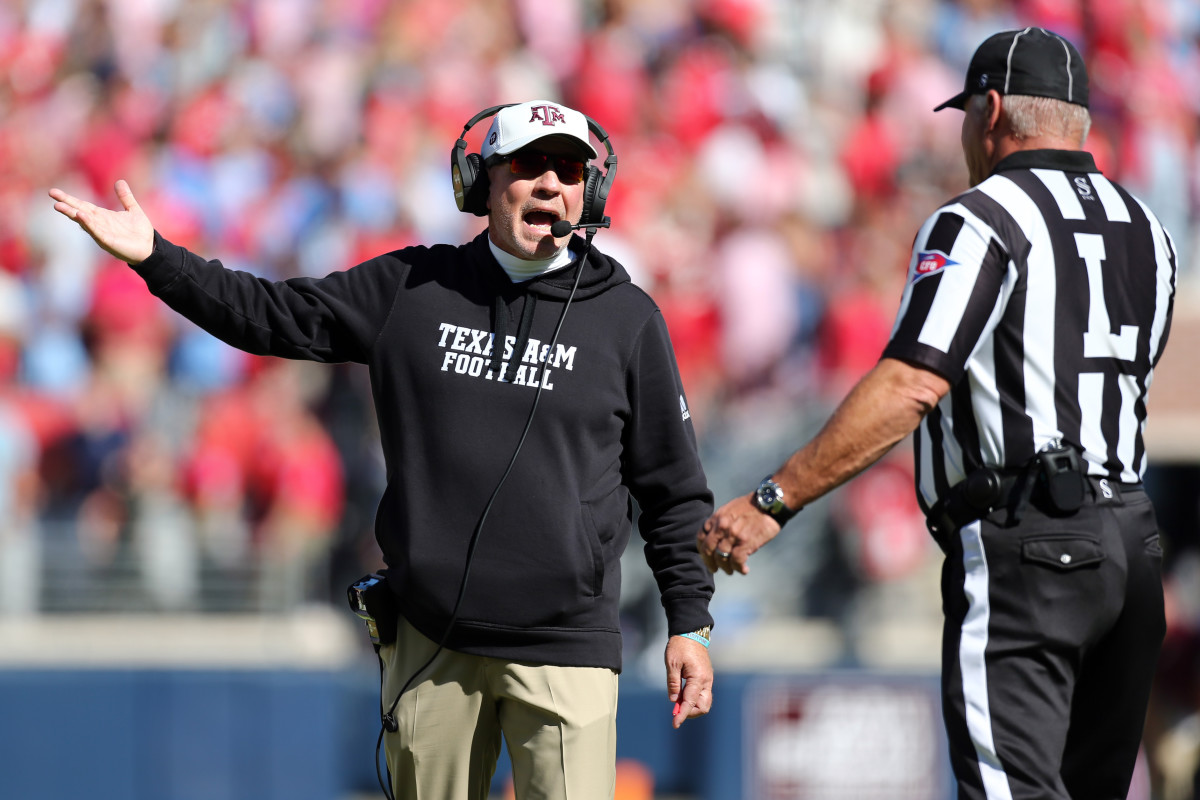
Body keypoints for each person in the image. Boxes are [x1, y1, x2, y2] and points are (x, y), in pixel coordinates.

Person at [51, 99, 716, 800]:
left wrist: (690, 624)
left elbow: (673, 489)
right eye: (530, 164)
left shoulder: (628, 320)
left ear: (591, 192)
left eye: (570, 170)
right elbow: (270, 316)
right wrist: (158, 258)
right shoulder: (411, 287)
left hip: (566, 648)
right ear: (481, 183)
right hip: (433, 642)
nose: (552, 184)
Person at [696, 28, 1176, 800]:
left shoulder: (980, 217)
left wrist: (773, 499)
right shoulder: (1150, 231)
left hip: (1030, 545)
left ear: (990, 111)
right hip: (1133, 540)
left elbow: (912, 383)